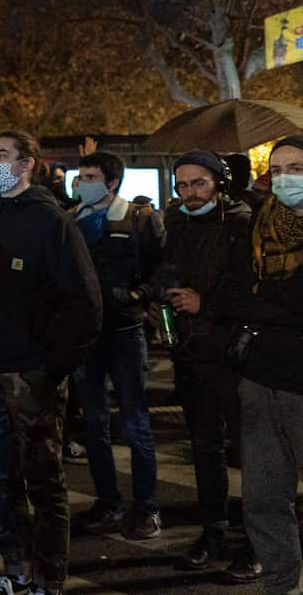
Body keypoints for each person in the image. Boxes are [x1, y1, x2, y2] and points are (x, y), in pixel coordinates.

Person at [0, 130, 102, 595]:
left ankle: (49, 579)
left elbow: (85, 306)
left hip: (29, 375)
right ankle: (16, 570)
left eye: (1, 155)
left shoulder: (51, 222)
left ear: (27, 164)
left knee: (43, 483)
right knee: (1, 481)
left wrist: (48, 369)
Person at [158, 150, 260, 581]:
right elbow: (166, 268)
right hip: (191, 352)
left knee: (251, 452)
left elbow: (255, 290)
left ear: (220, 183)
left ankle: (257, 542)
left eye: (198, 182)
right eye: (182, 185)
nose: (190, 192)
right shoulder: (177, 222)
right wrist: (162, 292)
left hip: (235, 355)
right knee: (204, 448)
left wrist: (207, 304)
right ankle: (212, 532)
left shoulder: (242, 223)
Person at [219, 135, 303, 594]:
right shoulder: (259, 223)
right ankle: (281, 583)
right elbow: (233, 293)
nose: (285, 178)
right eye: (279, 169)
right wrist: (269, 301)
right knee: (264, 497)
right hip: (261, 377)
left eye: (297, 168)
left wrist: (260, 298)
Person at [68, 151, 163, 540]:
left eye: (91, 177)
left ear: (112, 182)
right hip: (86, 336)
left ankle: (147, 507)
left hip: (126, 333)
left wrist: (140, 294)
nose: (82, 183)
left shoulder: (139, 218)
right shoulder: (71, 219)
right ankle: (108, 502)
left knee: (135, 422)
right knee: (94, 424)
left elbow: (162, 266)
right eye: (80, 177)